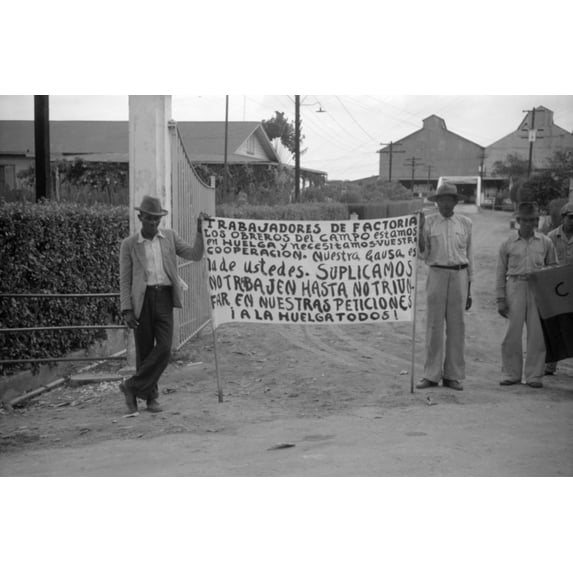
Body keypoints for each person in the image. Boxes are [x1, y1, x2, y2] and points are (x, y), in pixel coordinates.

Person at [119, 195, 207, 414]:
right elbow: (125, 279)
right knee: (145, 352)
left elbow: (195, 255)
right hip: (143, 300)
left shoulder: (169, 237)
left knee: (165, 349)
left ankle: (130, 386)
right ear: (140, 217)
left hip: (165, 297)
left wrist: (200, 230)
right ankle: (149, 399)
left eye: (157, 219)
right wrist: (127, 309)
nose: (153, 223)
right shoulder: (129, 245)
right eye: (149, 219)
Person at [417, 183, 473, 391]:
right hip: (437, 274)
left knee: (457, 327)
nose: (446, 204)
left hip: (460, 275)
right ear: (437, 202)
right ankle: (431, 375)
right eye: (442, 200)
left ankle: (452, 375)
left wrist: (470, 286)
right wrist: (419, 230)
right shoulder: (429, 222)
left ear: (455, 202)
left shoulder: (465, 223)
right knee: (433, 326)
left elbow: (470, 255)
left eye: (450, 200)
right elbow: (423, 254)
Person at [496, 202, 557, 388]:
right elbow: (500, 272)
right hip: (515, 286)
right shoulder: (507, 243)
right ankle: (510, 374)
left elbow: (554, 267)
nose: (529, 224)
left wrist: (549, 294)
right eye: (525, 220)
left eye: (533, 220)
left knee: (537, 334)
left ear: (537, 221)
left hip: (538, 289)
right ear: (518, 221)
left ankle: (534, 376)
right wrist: (500, 298)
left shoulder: (545, 242)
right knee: (511, 333)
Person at [544, 201, 573, 375]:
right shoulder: (551, 237)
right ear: (563, 218)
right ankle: (550, 364)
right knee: (553, 326)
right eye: (570, 218)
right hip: (555, 289)